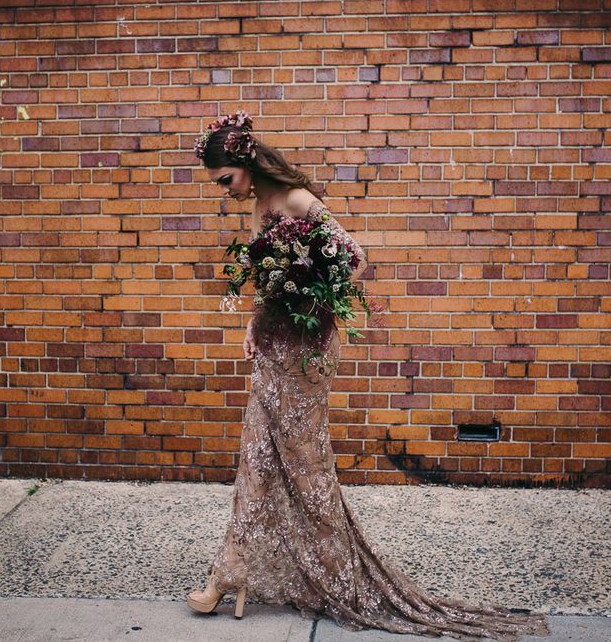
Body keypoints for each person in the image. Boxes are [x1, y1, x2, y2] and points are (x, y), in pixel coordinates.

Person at [186, 110, 550, 641]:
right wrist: (255, 319)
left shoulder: (296, 200)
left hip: (305, 353)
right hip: (271, 348)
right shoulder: (259, 207)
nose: (225, 191)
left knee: (306, 470)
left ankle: (336, 577)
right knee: (256, 457)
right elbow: (268, 276)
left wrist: (306, 291)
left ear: (243, 161)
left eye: (226, 180)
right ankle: (230, 572)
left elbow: (353, 258)